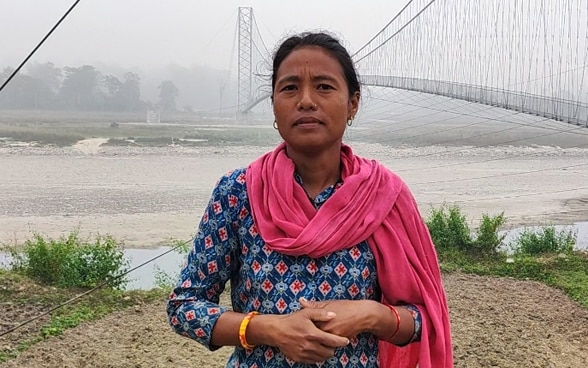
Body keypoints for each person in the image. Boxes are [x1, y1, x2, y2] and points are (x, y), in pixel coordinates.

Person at [167, 31, 453, 367]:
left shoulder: (384, 196)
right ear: (273, 105)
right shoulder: (238, 192)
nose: (305, 100)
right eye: (289, 88)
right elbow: (185, 306)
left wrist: (372, 314)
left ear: (353, 104)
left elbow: (425, 317)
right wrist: (269, 328)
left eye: (324, 86)